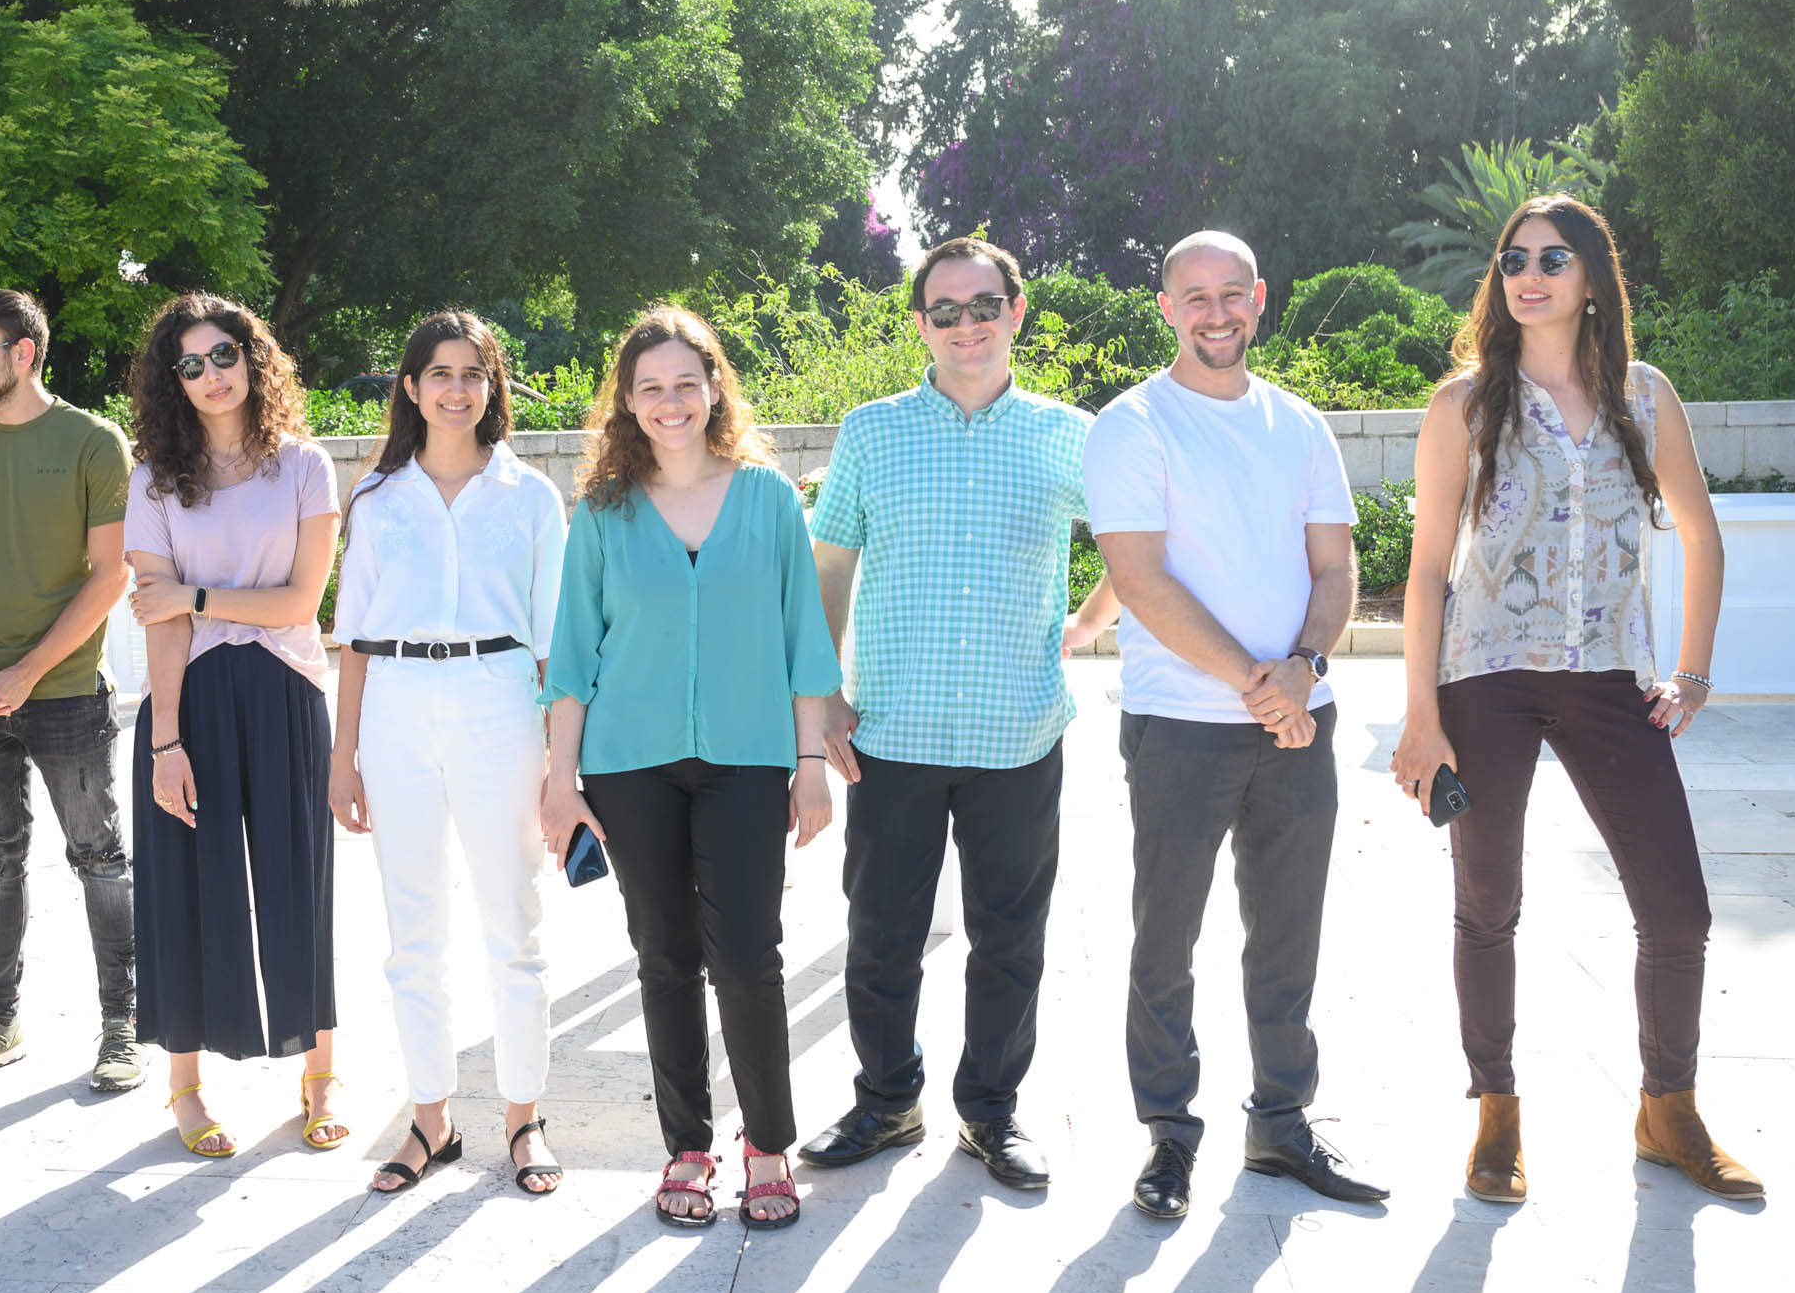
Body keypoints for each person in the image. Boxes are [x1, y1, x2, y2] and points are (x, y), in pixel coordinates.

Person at [1392, 196, 1759, 1202]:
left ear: (1592, 277)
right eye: (1513, 259)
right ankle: (1496, 1114)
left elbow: (1702, 536)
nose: (1529, 274)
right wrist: (1421, 717)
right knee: (1487, 903)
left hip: (1608, 677)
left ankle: (1667, 1110)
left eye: (1553, 259)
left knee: (1677, 909)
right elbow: (1426, 571)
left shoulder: (1644, 395)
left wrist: (1691, 670)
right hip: (1486, 678)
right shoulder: (1464, 404)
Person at [800, 237, 1116, 1190]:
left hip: (1019, 732)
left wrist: (1090, 621)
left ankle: (990, 1113)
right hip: (890, 732)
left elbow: (1137, 544)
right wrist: (824, 694)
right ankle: (886, 1102)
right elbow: (830, 567)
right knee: (880, 935)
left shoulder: (1070, 434)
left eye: (984, 306)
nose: (966, 324)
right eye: (945, 310)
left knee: (1010, 941)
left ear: (1016, 312)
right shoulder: (872, 432)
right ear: (921, 323)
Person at [1084, 230, 1387, 1219]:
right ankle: (1169, 1134)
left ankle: (1281, 1122)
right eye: (1195, 296)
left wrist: (1304, 670)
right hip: (1181, 726)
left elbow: (1334, 565)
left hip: (1301, 721)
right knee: (1165, 936)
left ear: (1258, 300)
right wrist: (1262, 685)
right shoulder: (1132, 425)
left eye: (1231, 294)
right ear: (1166, 308)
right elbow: (1139, 580)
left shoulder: (1298, 424)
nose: (1215, 313)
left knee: (1288, 933)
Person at [541, 306, 841, 1229]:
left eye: (685, 382)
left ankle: (768, 1146)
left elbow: (803, 638)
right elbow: (573, 654)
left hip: (748, 758)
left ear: (714, 388)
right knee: (665, 956)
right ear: (627, 403)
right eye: (650, 388)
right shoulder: (603, 511)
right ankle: (687, 1146)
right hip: (628, 763)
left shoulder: (768, 497)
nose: (669, 402)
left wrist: (810, 762)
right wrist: (559, 781)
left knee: (747, 956)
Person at [329, 311, 567, 1196]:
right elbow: (353, 637)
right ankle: (431, 1117)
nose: (457, 389)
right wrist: (343, 755)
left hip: (498, 699)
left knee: (513, 921)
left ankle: (524, 1117)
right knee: (413, 928)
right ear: (411, 386)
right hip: (395, 704)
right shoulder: (376, 498)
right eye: (440, 372)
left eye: (473, 373)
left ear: (492, 386)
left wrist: (562, 764)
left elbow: (554, 646)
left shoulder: (530, 496)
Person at [125, 294, 345, 1158]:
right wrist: (165, 741)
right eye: (191, 364)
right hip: (189, 700)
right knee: (185, 890)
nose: (212, 375)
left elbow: (300, 602)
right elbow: (159, 620)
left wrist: (197, 594)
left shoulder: (304, 466)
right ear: (172, 381)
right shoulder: (153, 480)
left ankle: (321, 1076)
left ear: (253, 359)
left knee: (301, 887)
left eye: (224, 355)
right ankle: (185, 1085)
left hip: (287, 691)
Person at [0, 289, 141, 1096]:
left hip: (67, 691)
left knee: (99, 858)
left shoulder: (93, 441)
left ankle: (123, 1023)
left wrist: (28, 673)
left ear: (24, 352)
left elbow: (110, 575)